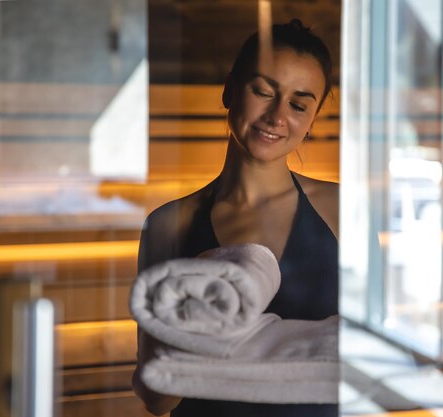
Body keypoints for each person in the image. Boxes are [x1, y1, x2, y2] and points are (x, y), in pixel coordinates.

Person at [132, 19, 339, 417]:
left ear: (312, 119)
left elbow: (376, 359)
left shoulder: (343, 212)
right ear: (229, 90)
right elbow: (158, 397)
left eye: (298, 104)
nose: (277, 116)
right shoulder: (168, 224)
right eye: (263, 91)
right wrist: (191, 322)